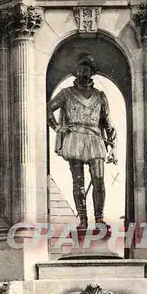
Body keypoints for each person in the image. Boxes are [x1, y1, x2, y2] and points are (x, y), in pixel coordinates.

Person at [47, 54, 117, 230]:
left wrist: (113, 145)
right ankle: (83, 220)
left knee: (99, 180)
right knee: (78, 181)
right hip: (75, 137)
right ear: (75, 72)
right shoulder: (65, 93)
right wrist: (57, 127)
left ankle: (99, 218)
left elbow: (108, 123)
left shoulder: (100, 96)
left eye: (87, 68)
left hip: (95, 138)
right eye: (80, 68)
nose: (84, 72)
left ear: (92, 73)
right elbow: (47, 109)